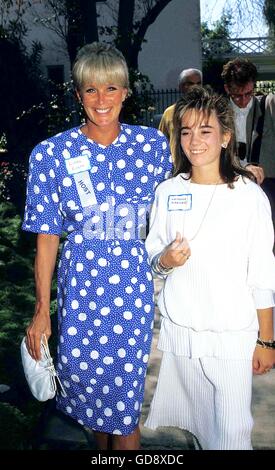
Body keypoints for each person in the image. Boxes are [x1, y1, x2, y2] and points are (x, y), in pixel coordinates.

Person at [22, 42, 172, 451]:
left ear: (126, 92)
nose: (101, 99)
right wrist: (42, 310)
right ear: (78, 95)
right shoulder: (51, 154)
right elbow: (47, 237)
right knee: (94, 410)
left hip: (130, 292)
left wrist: (236, 173)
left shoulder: (152, 147)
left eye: (111, 89)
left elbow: (184, 199)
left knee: (124, 416)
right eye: (91, 90)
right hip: (80, 294)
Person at [144, 86, 275, 450]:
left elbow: (263, 271)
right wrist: (165, 260)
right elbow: (153, 254)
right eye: (186, 131)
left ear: (225, 137)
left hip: (233, 334)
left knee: (234, 433)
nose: (194, 140)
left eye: (205, 130)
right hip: (184, 334)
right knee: (203, 431)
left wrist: (266, 339)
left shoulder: (248, 195)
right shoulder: (168, 191)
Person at [221, 57, 275, 186]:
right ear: (227, 89)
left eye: (249, 93)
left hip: (267, 181)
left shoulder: (270, 104)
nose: (244, 101)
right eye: (237, 95)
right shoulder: (219, 113)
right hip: (232, 181)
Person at [157, 68, 202, 159]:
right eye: (190, 83)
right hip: (176, 167)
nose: (195, 87)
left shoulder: (209, 111)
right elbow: (161, 142)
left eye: (198, 83)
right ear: (181, 86)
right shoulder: (169, 113)